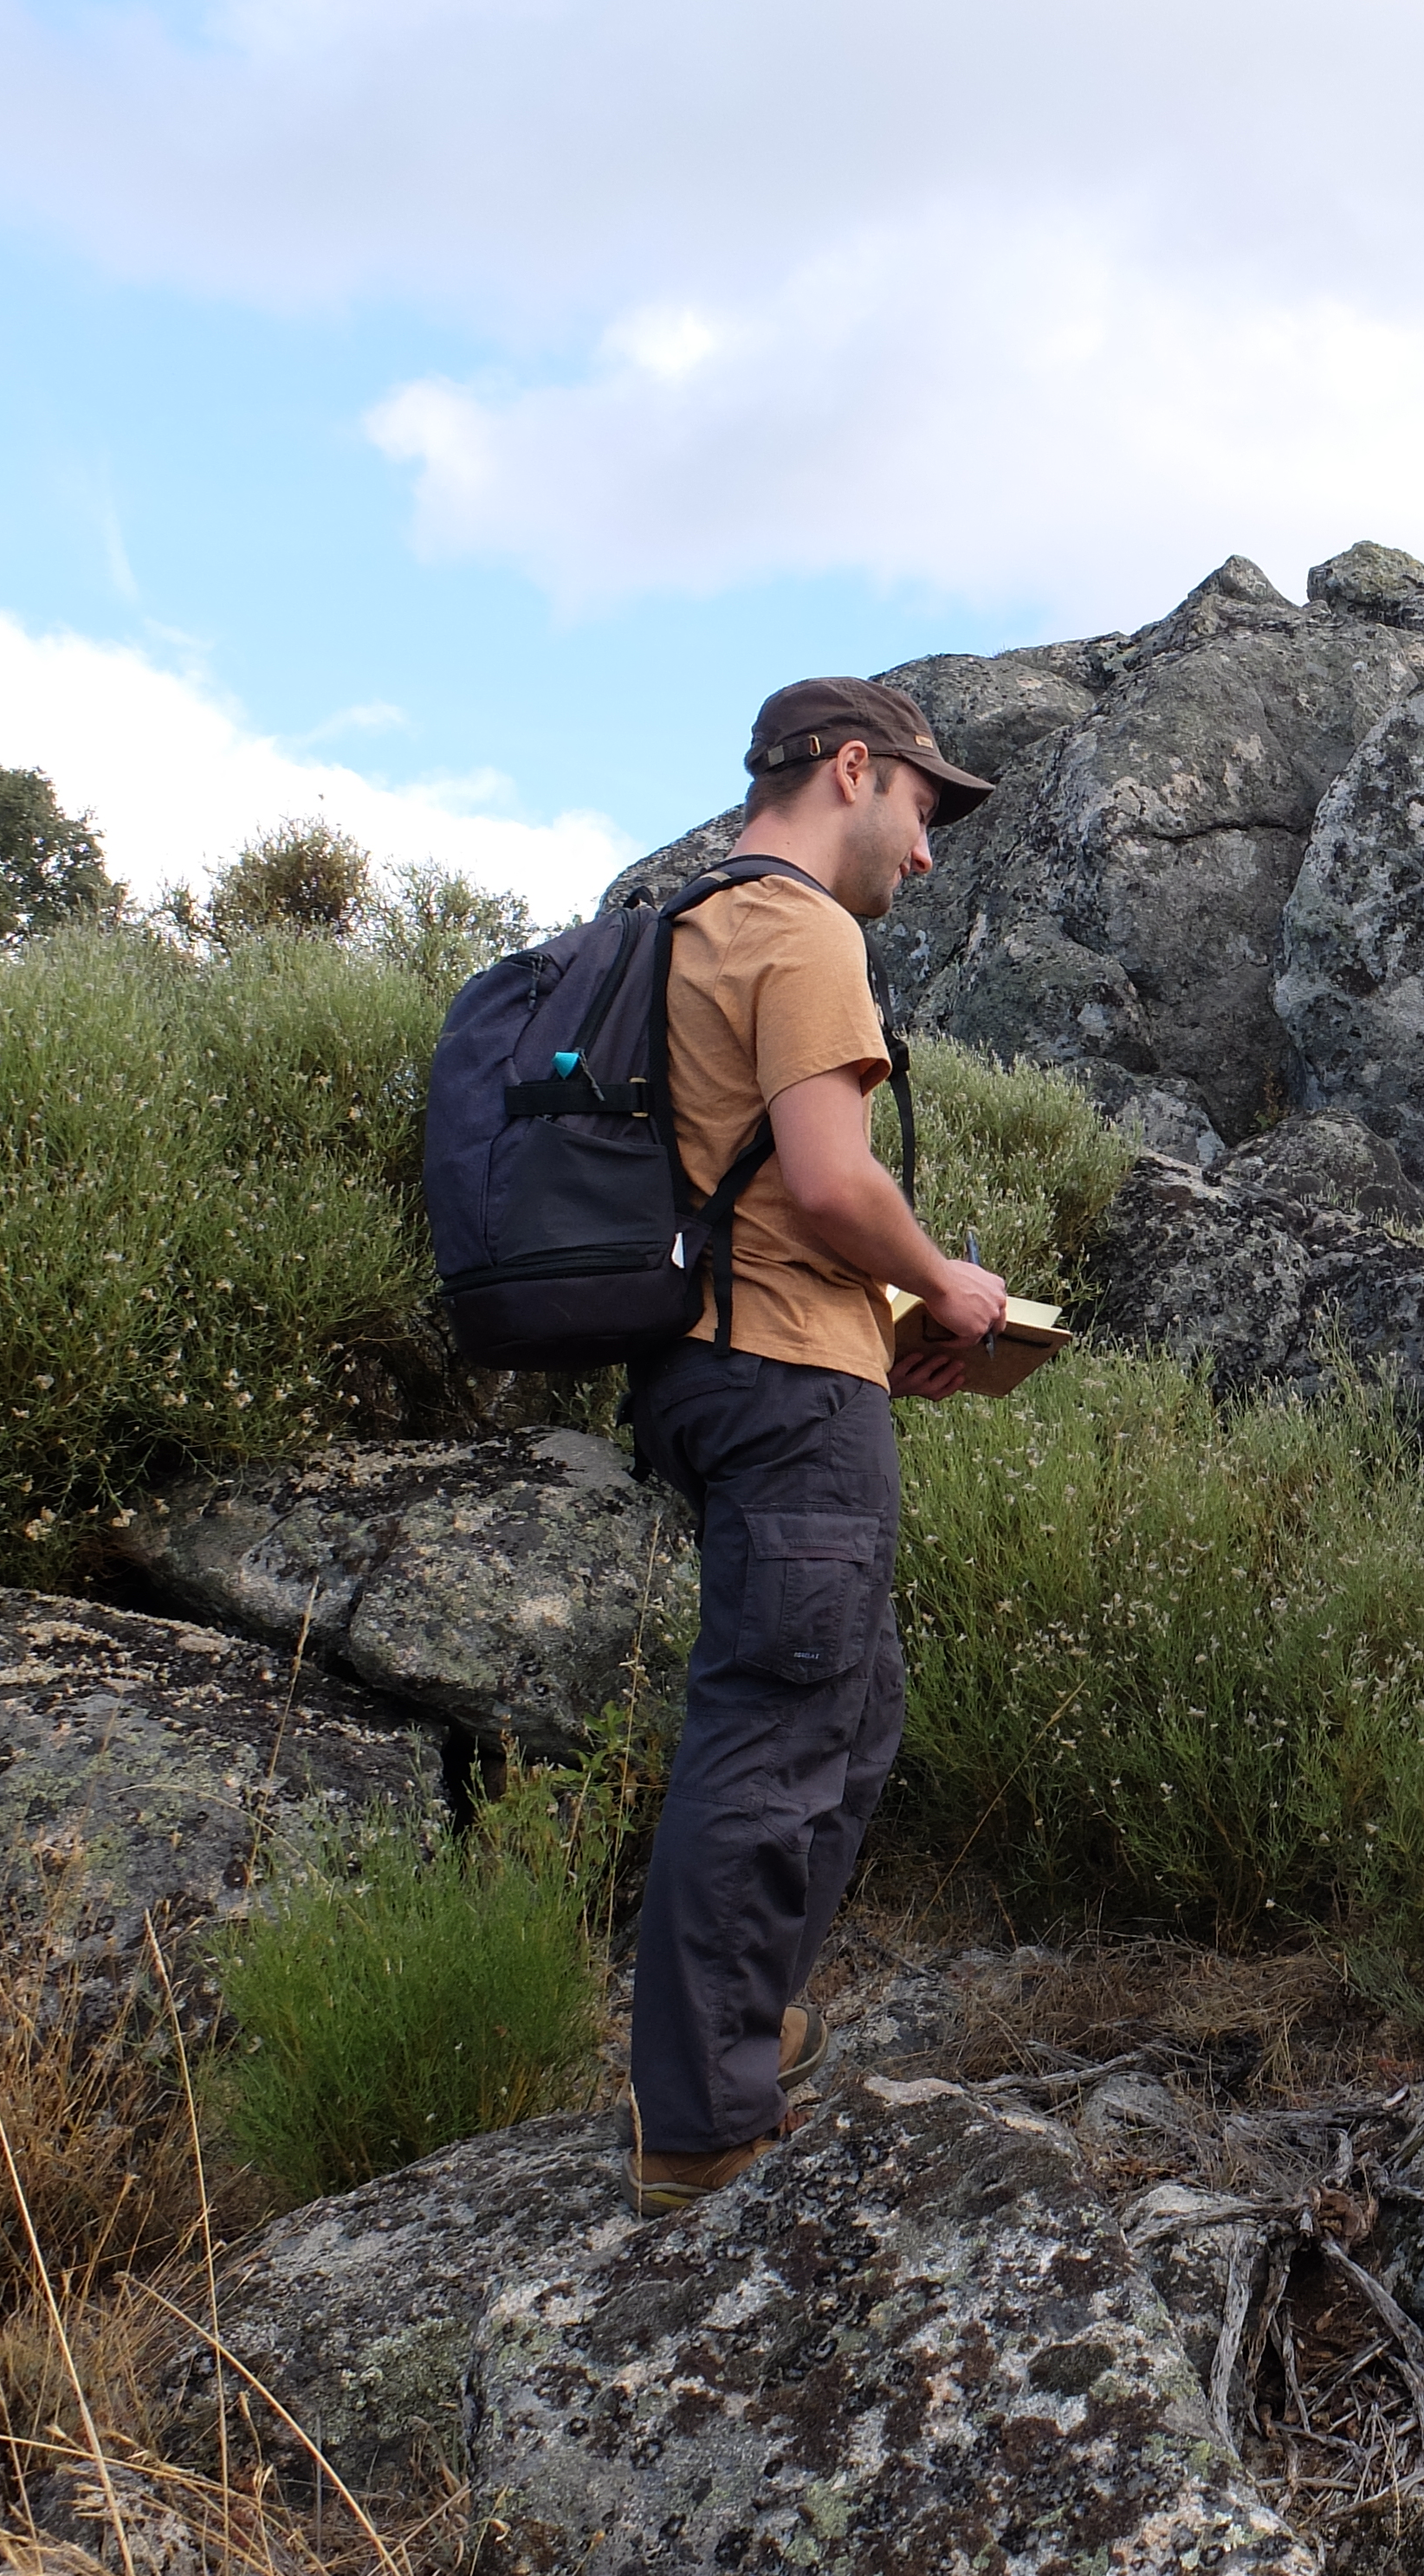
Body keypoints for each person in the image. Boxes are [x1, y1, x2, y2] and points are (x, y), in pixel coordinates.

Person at [625, 676, 1013, 2215]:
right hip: (784, 1378)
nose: (923, 855)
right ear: (853, 771)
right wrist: (951, 1284)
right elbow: (836, 1185)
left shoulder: (687, 921)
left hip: (727, 1363)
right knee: (781, 1732)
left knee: (849, 1711)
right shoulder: (797, 930)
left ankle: (745, 2022)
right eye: (922, 810)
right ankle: (705, 2124)